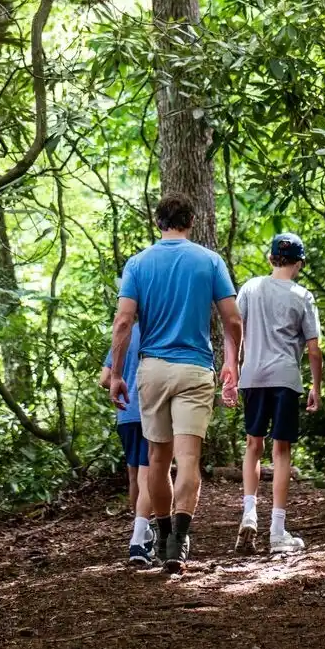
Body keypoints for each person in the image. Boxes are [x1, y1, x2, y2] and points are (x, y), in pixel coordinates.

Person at [109, 192, 241, 576]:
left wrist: (118, 374)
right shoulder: (210, 261)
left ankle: (163, 532)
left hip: (152, 370)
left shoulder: (138, 264)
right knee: (188, 460)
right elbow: (233, 321)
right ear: (192, 221)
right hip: (195, 369)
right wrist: (233, 363)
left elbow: (122, 323)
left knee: (156, 460)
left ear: (157, 222)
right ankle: (179, 543)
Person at [234, 232, 322, 556]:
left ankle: (249, 513)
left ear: (271, 258)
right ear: (299, 263)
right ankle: (277, 531)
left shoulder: (250, 289)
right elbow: (314, 350)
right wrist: (316, 386)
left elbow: (235, 332)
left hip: (253, 376)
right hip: (285, 378)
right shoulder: (302, 296)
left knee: (253, 445)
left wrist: (234, 368)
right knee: (281, 452)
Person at [99, 320, 159, 568]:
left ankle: (140, 530)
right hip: (149, 411)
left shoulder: (123, 336)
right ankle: (140, 538)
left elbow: (104, 378)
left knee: (135, 475)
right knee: (149, 474)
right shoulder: (159, 329)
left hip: (125, 414)